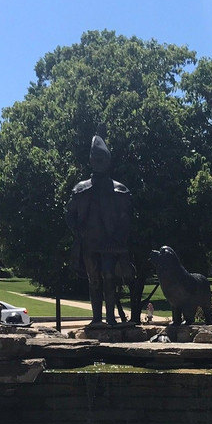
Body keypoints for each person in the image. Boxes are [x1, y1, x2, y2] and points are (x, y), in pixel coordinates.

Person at [65, 130, 134, 326]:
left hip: (111, 244)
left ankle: (110, 317)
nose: (99, 162)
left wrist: (120, 240)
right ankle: (97, 319)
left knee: (109, 278)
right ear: (91, 160)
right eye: (96, 158)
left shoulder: (120, 190)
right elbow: (69, 215)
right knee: (93, 279)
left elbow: (125, 220)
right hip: (89, 243)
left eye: (102, 158)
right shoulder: (80, 189)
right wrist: (78, 232)